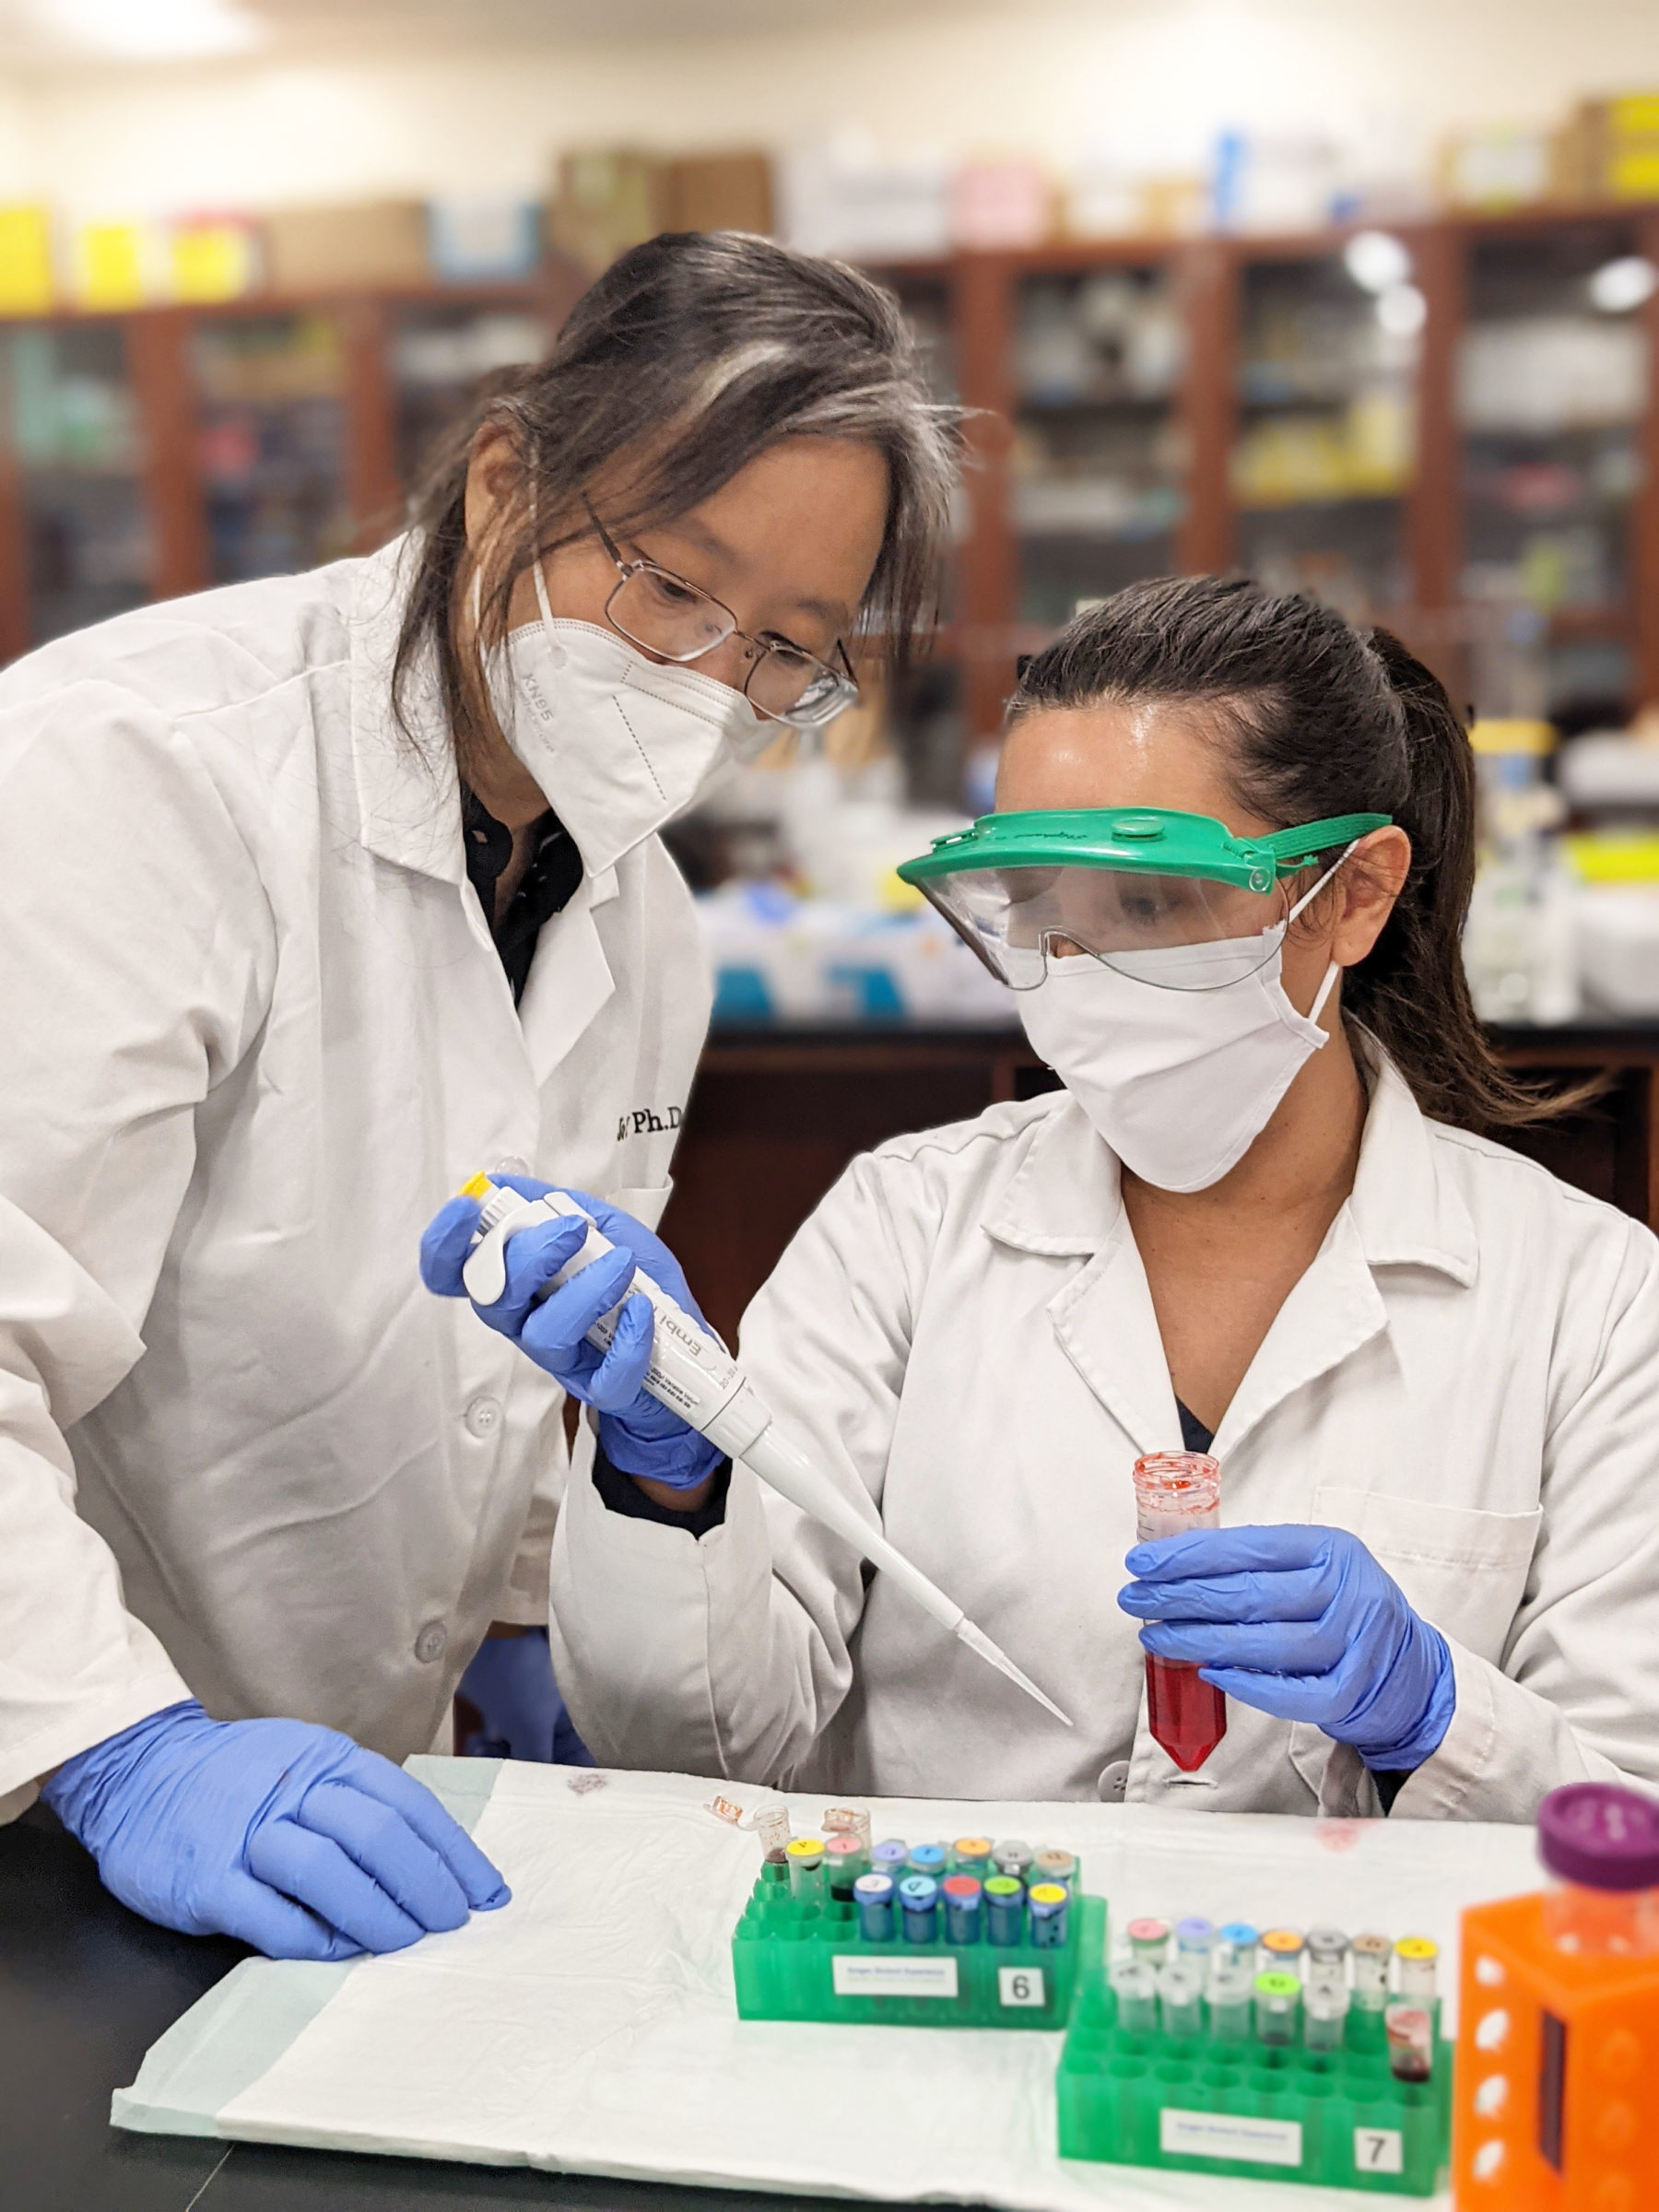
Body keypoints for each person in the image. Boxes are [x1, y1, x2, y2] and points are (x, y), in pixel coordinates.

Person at [0, 229, 958, 1956]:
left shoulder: (637, 910)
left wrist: (527, 1621)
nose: (707, 680)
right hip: (53, 1781)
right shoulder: (136, 773)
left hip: (350, 1802)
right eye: (675, 587)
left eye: (783, 652)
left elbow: (529, 1347)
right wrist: (118, 1749)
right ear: (512, 479)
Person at [428, 577, 1659, 1821]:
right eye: (1033, 905)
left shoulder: (1587, 1302)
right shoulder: (902, 1231)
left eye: (1146, 902)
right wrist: (671, 1479)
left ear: (1349, 895)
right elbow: (694, 1752)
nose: (1074, 975)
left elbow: (1627, 1830)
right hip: (938, 1994)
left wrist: (1436, 1714)